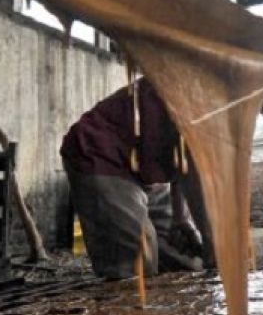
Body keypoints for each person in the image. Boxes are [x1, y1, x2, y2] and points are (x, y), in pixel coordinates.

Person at [61, 79, 205, 279]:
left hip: (147, 166)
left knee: (186, 259)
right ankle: (129, 306)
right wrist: (215, 246)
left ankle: (170, 306)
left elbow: (185, 161)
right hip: (103, 152)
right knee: (136, 260)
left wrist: (181, 218)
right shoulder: (213, 87)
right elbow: (195, 170)